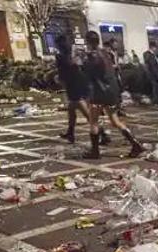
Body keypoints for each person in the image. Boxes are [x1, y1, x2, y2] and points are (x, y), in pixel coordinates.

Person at [83, 31, 143, 159]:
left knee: (93, 121)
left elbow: (88, 75)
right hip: (111, 91)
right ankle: (135, 144)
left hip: (99, 93)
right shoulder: (105, 53)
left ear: (88, 41)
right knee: (115, 121)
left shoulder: (92, 56)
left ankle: (95, 151)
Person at [54, 35, 91, 144]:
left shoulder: (62, 56)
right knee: (71, 109)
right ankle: (70, 132)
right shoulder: (72, 53)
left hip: (73, 83)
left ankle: (101, 132)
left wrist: (60, 79)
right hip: (77, 80)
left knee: (83, 108)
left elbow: (64, 69)